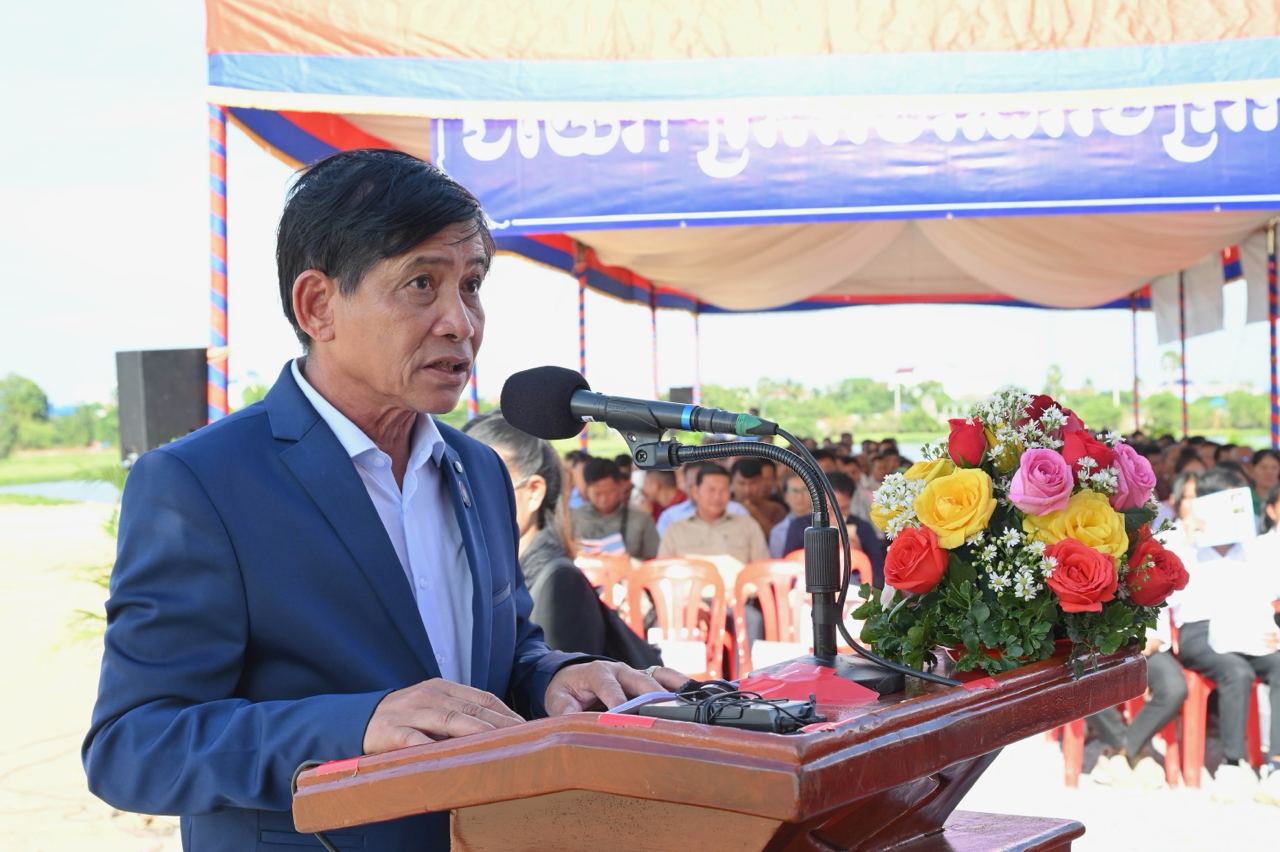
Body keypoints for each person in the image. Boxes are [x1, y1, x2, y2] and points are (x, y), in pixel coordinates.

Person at [82, 149, 684, 851]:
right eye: (421, 284)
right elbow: (133, 745)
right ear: (318, 305)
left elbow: (500, 661)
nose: (460, 322)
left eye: (471, 284)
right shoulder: (200, 483)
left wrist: (558, 676)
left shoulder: (479, 471)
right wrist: (356, 726)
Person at [1168, 466, 1280, 805]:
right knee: (1236, 671)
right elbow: (1169, 599)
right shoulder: (1181, 542)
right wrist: (1189, 541)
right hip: (1199, 633)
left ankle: (1276, 765)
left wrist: (1273, 631)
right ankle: (1233, 765)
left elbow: (1267, 595)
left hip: (1245, 628)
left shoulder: (1251, 548)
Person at [658, 463, 768, 565]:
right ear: (695, 492)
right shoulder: (675, 531)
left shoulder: (748, 526)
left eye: (723, 490)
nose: (717, 497)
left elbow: (762, 569)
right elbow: (662, 571)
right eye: (711, 490)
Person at [571, 457, 659, 560]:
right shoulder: (574, 519)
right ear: (587, 490)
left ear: (620, 486)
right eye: (597, 494)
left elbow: (654, 560)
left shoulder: (641, 520)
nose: (604, 499)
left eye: (609, 492)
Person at [655, 462, 748, 535]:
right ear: (684, 484)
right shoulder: (669, 517)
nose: (696, 491)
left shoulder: (737, 511)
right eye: (691, 486)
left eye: (701, 486)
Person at [730, 457, 787, 535]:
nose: (747, 490)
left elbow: (778, 538)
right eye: (741, 483)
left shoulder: (776, 509)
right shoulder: (721, 506)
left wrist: (755, 513)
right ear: (731, 482)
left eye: (753, 483)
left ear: (761, 482)